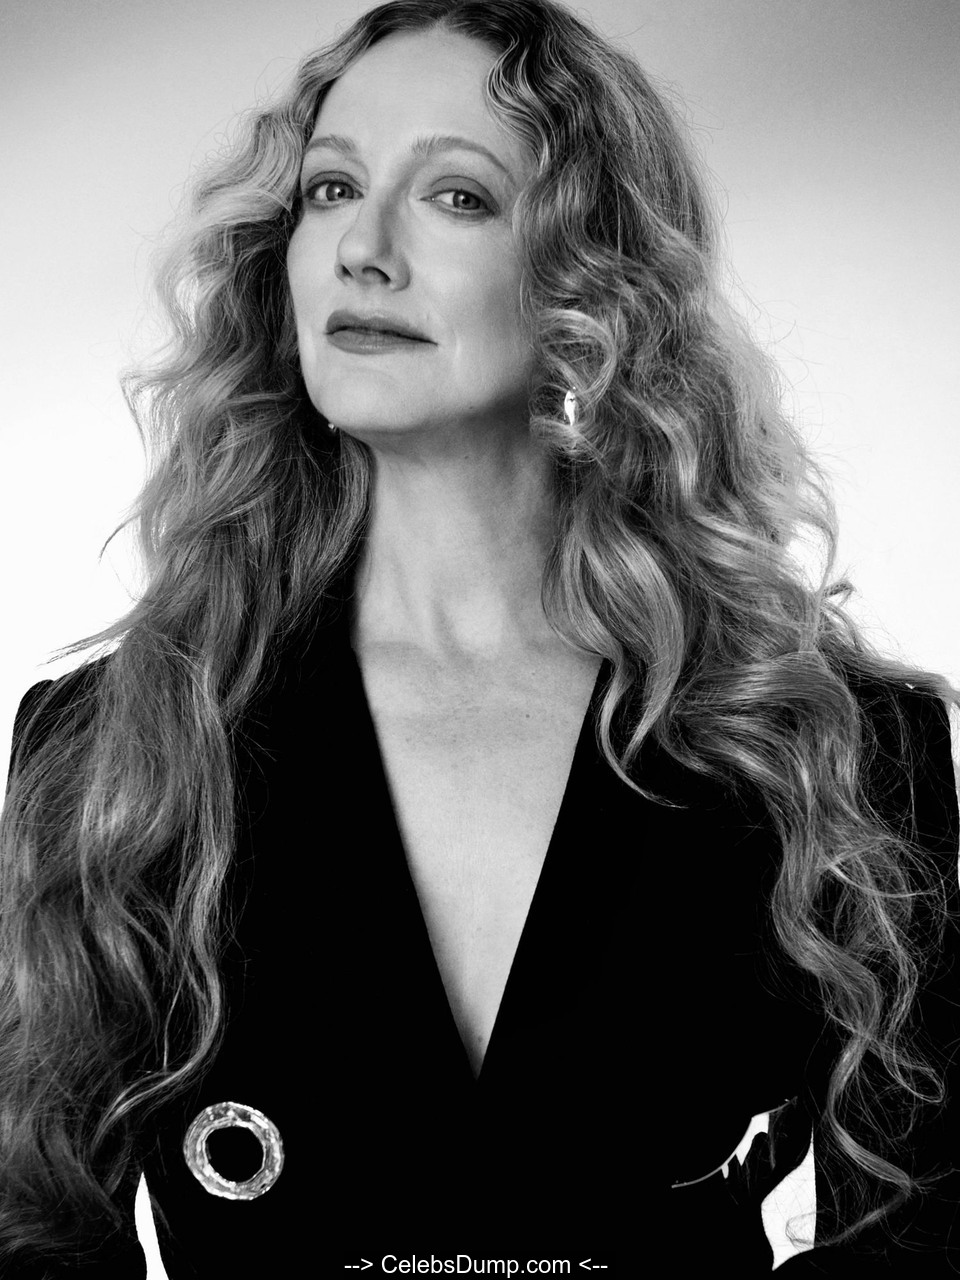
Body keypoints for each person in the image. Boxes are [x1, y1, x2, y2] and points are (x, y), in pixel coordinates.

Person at [1, 0, 958, 1275]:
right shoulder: (110, 750)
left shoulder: (835, 749)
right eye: (331, 189)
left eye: (457, 197)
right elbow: (37, 1235)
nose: (363, 249)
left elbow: (924, 1237)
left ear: (591, 278)